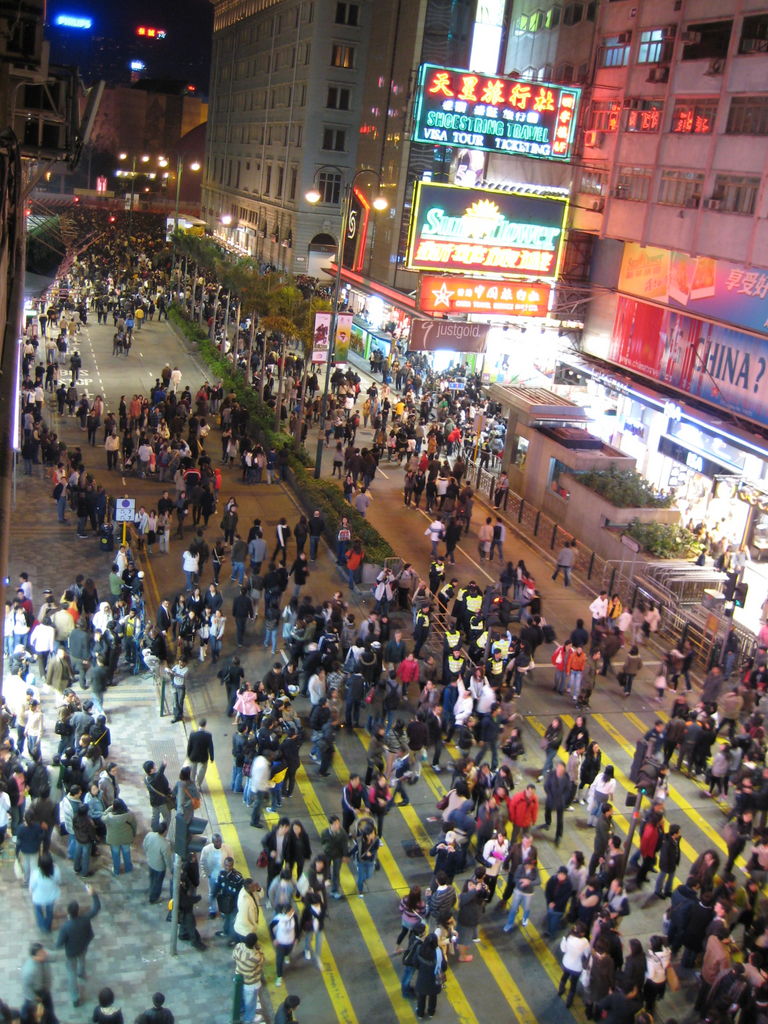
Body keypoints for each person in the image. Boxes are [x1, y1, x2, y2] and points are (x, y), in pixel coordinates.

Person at [55, 885, 101, 1007]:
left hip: (71, 952)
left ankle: (75, 997)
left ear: (69, 913)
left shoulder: (66, 927)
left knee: (71, 973)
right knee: (82, 959)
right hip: (83, 945)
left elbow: (59, 944)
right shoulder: (85, 919)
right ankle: (82, 973)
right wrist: (94, 894)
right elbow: (96, 908)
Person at [232, 933, 265, 1024]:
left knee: (241, 997)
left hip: (239, 976)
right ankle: (249, 1019)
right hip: (250, 982)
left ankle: (241, 1009)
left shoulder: (238, 947)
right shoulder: (255, 956)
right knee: (251, 1002)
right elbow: (262, 961)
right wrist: (258, 949)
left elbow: (234, 957)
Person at [20, 944, 55, 1024]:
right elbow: (27, 989)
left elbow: (54, 956)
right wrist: (35, 1000)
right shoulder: (29, 971)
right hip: (36, 995)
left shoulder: (44, 958)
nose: (45, 953)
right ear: (35, 956)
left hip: (45, 991)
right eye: (42, 953)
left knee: (49, 1013)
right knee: (34, 1015)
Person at [28, 851, 61, 932]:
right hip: (51, 896)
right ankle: (47, 926)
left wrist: (31, 892)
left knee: (38, 911)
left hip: (38, 897)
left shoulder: (36, 873)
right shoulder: (56, 871)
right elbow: (59, 881)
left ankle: (41, 924)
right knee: (49, 912)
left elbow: (32, 886)